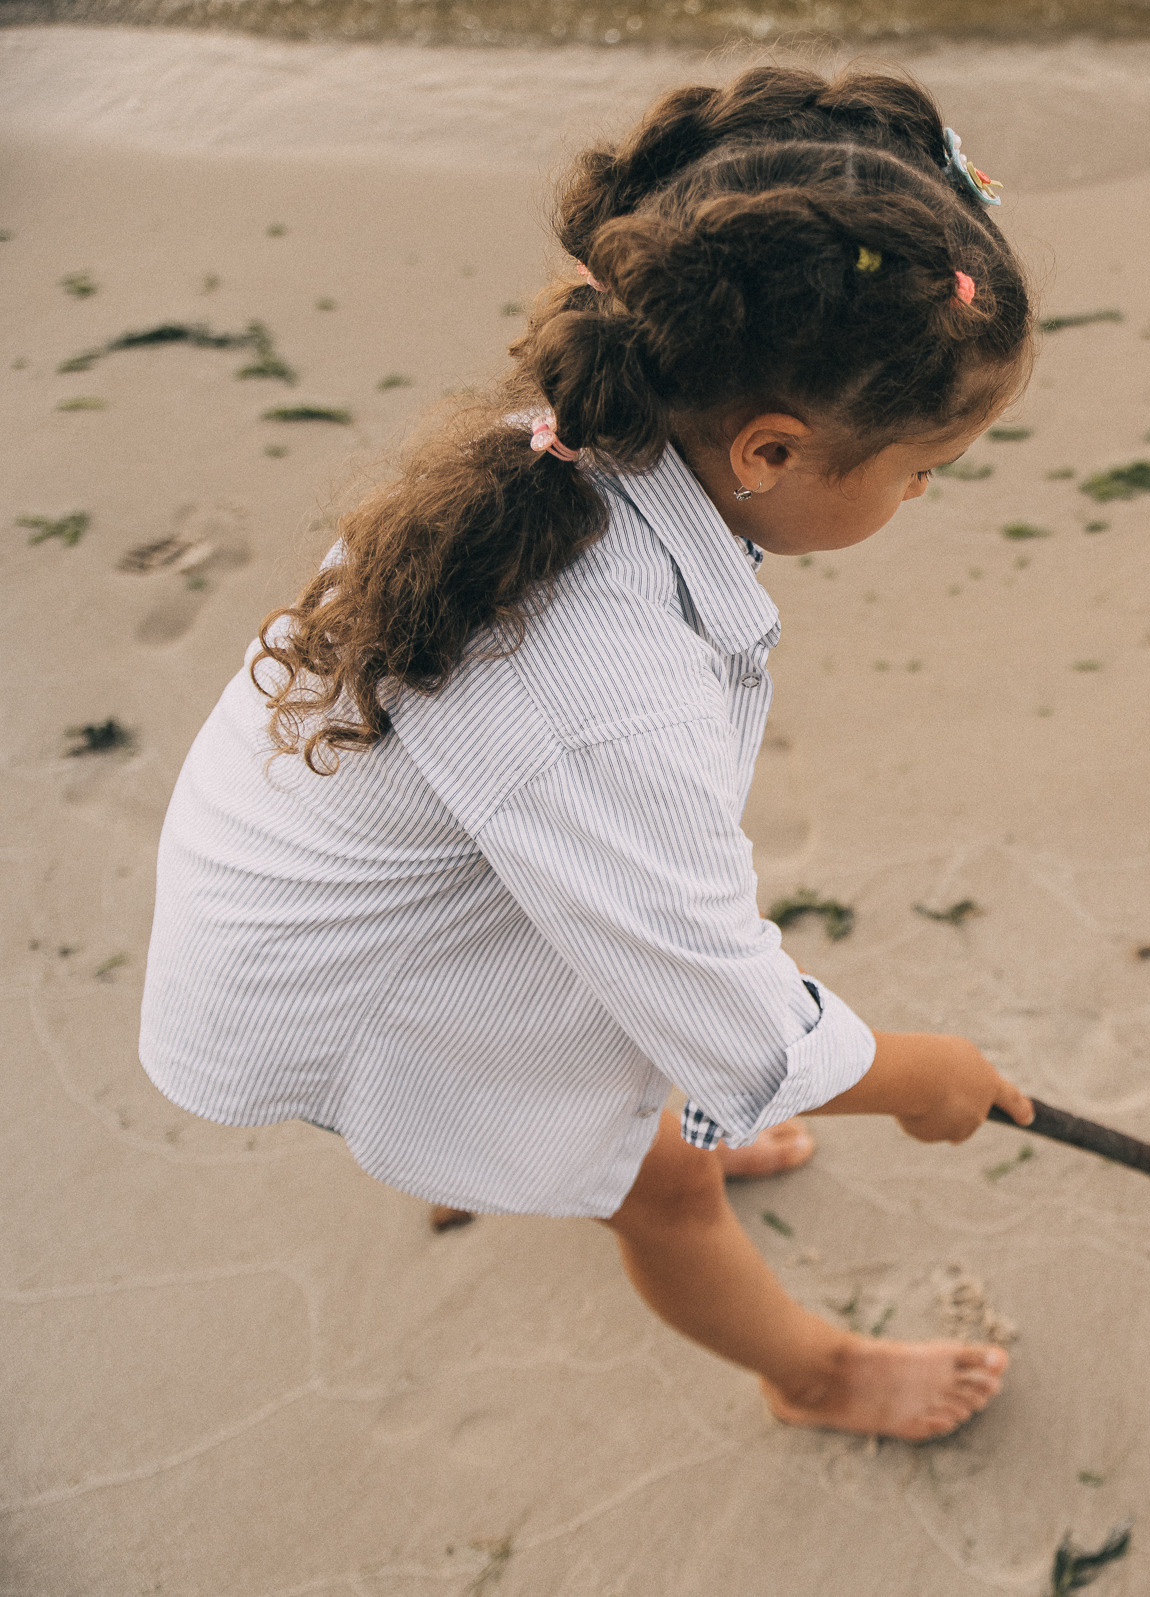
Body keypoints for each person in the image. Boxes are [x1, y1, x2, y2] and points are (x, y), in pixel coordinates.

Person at [138, 65, 1035, 1442]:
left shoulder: (582, 442)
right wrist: (923, 1076)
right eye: (924, 468)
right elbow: (724, 993)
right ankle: (814, 1375)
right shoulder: (600, 682)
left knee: (667, 1091)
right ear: (771, 449)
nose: (922, 492)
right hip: (359, 968)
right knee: (666, 1182)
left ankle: (662, 1127)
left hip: (424, 864)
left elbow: (626, 871)